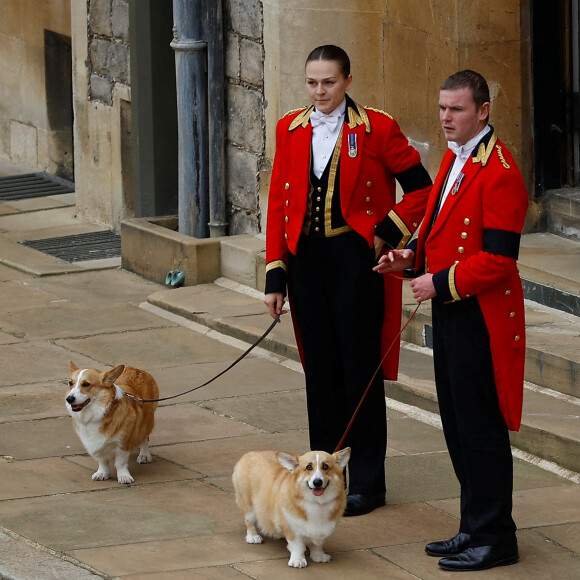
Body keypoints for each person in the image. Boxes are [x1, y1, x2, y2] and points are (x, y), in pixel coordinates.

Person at [264, 45, 431, 517]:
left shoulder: (377, 127)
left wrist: (389, 231)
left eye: (329, 82)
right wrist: (275, 274)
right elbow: (278, 203)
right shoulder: (289, 128)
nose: (320, 92)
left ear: (348, 81)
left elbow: (422, 187)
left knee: (360, 372)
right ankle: (324, 478)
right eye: (312, 82)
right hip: (307, 264)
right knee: (319, 371)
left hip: (357, 263)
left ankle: (369, 484)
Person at [374, 70, 528, 570]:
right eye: (442, 108)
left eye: (456, 109)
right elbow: (438, 233)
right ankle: (472, 526)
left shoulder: (501, 170)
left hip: (481, 317)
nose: (445, 118)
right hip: (453, 313)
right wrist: (409, 259)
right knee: (458, 425)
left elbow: (500, 259)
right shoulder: (452, 160)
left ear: (482, 111)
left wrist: (438, 283)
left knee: (481, 428)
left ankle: (496, 537)